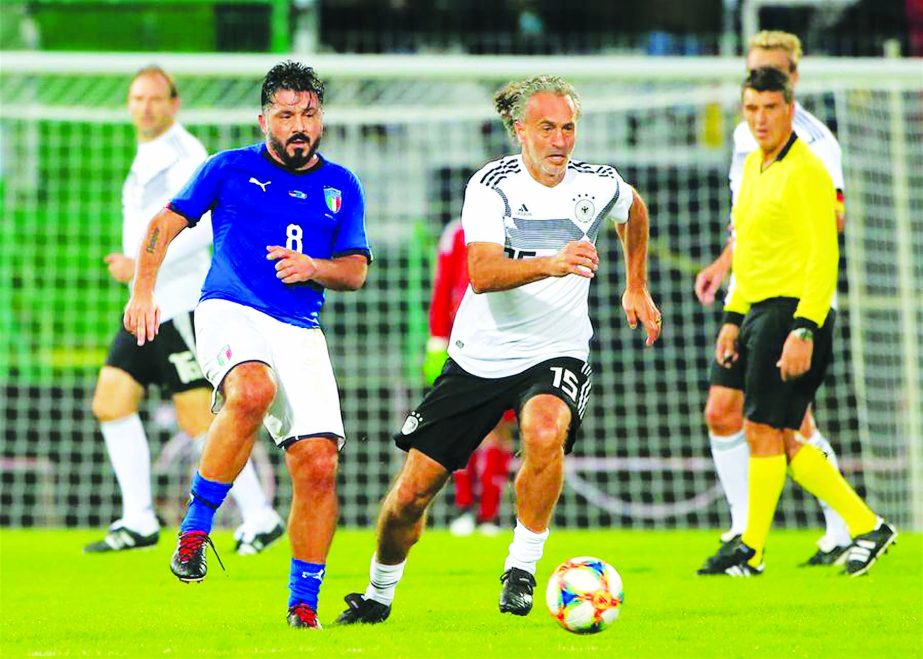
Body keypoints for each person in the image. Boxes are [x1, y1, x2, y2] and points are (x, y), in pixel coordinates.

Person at [336, 75, 661, 625]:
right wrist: (553, 261)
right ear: (519, 132)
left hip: (558, 348)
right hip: (480, 356)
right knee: (411, 495)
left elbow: (635, 212)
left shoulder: (597, 183)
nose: (560, 141)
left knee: (542, 431)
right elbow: (482, 273)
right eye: (546, 129)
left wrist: (636, 283)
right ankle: (378, 593)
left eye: (568, 128)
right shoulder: (491, 186)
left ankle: (522, 566)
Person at [123, 61, 372, 629]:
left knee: (318, 465)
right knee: (253, 389)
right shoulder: (228, 168)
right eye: (286, 115)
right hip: (230, 310)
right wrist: (144, 289)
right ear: (264, 119)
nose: (298, 125)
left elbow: (355, 271)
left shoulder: (343, 186)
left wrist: (314, 266)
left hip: (301, 329)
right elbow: (166, 222)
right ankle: (195, 528)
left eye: (308, 113)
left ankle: (303, 607)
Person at [702, 67, 896, 578]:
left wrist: (805, 328)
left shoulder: (808, 170)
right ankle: (866, 526)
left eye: (770, 108)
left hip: (793, 313)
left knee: (766, 429)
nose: (760, 119)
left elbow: (823, 255)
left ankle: (752, 549)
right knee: (779, 434)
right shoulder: (752, 170)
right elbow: (749, 255)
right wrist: (730, 318)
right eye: (751, 109)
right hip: (756, 312)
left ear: (790, 109)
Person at [85, 65, 283, 556]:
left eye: (155, 99)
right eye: (137, 99)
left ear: (173, 104)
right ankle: (138, 519)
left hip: (180, 307)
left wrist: (140, 263)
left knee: (202, 419)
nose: (145, 107)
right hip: (147, 304)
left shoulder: (185, 154)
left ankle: (260, 515)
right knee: (110, 402)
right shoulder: (149, 153)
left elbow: (199, 230)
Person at [695, 31, 852, 569]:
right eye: (754, 73)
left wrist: (803, 320)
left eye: (774, 75)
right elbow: (751, 218)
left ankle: (843, 530)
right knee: (723, 413)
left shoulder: (815, 145)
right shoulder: (746, 134)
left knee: (788, 426)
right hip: (751, 293)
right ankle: (746, 532)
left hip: (791, 296)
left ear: (793, 82)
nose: (762, 93)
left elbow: (827, 227)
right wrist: (725, 264)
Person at [422, 218, 515, 537]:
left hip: (507, 338)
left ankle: (488, 515)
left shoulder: (522, 225)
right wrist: (436, 339)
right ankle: (464, 508)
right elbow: (443, 285)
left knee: (499, 428)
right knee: (462, 424)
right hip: (464, 339)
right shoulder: (457, 232)